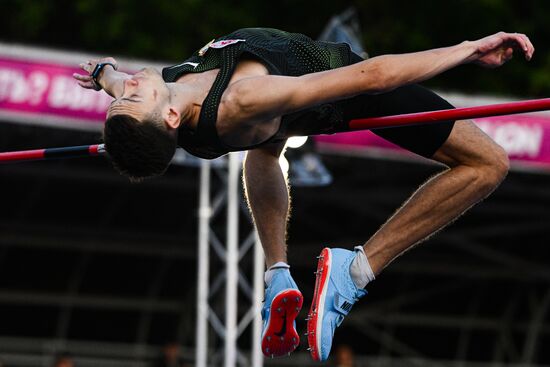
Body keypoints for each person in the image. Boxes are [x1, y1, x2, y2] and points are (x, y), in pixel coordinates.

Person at [73, 28, 534, 361]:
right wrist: (469, 49)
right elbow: (373, 77)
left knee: (265, 149)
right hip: (344, 89)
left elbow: (114, 79)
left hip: (272, 114)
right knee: (489, 163)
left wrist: (104, 74)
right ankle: (353, 273)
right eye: (132, 96)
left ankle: (278, 274)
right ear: (171, 118)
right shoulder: (242, 101)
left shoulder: (158, 94)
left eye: (123, 94)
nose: (130, 85)